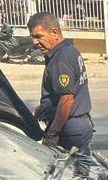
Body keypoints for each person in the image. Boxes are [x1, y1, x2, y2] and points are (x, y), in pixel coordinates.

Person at [28, 12, 94, 154]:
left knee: (58, 172)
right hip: (80, 125)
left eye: (38, 36)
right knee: (79, 172)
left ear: (55, 33)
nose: (34, 42)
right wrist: (43, 108)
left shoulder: (60, 60)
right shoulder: (70, 50)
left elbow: (67, 100)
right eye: (32, 37)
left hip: (68, 129)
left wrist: (52, 133)